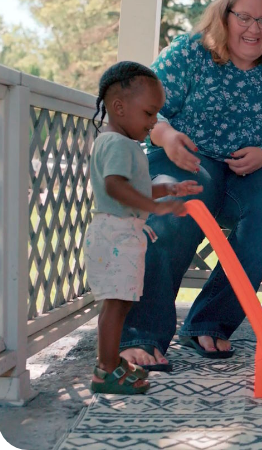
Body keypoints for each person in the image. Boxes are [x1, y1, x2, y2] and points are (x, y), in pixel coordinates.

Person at [119, 0, 262, 370]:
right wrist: (167, 134)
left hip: (252, 173)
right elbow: (141, 107)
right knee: (183, 198)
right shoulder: (190, 52)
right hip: (186, 158)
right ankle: (142, 333)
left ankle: (211, 319)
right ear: (224, 16)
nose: (254, 28)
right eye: (244, 17)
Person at [86, 62, 201, 394]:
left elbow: (133, 188)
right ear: (119, 107)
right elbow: (115, 187)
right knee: (116, 304)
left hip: (122, 233)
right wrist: (156, 208)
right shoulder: (118, 145)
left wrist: (168, 190)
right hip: (115, 235)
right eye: (149, 114)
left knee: (121, 302)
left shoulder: (121, 143)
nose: (154, 123)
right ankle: (105, 370)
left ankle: (111, 363)